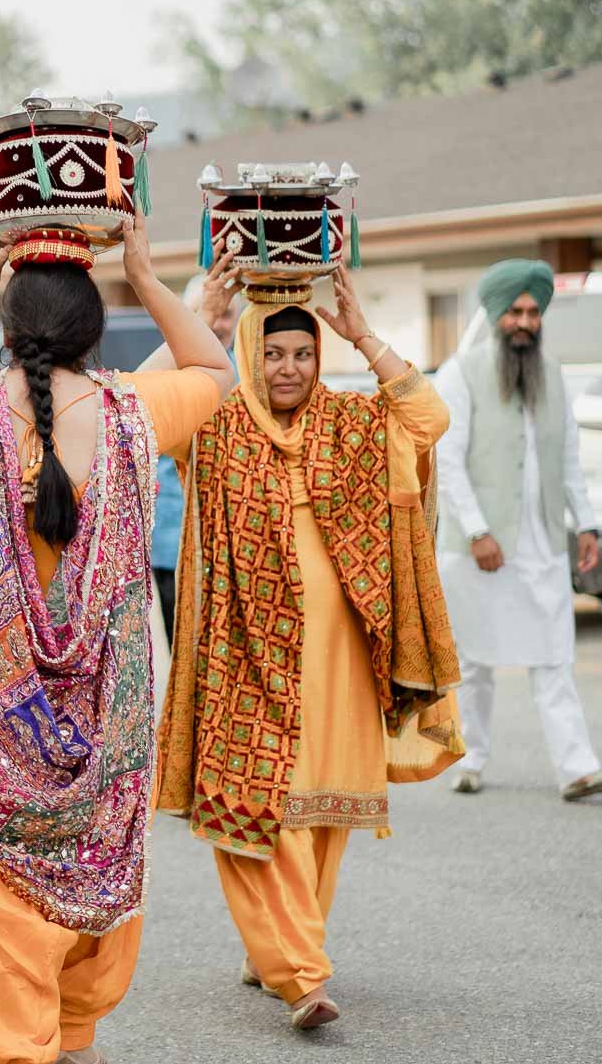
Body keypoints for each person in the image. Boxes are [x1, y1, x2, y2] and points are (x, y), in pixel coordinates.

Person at [0, 213, 235, 1064]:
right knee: (90, 875)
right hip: (102, 710)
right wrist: (150, 280)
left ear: (7, 325)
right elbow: (212, 370)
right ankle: (73, 1033)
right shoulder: (127, 414)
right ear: (94, 325)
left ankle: (21, 1045)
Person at [154, 240, 462, 1031]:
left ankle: (278, 953)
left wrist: (364, 334)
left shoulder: (354, 422)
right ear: (249, 351)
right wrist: (199, 317)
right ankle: (302, 975)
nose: (289, 367)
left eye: (303, 351)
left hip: (344, 659)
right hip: (245, 657)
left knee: (322, 815)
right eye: (274, 351)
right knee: (258, 812)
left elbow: (429, 418)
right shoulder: (215, 426)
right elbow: (142, 402)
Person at [435, 259, 602, 801]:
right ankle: (471, 758)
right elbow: (447, 461)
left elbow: (567, 456)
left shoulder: (553, 374)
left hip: (541, 541)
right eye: (515, 312)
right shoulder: (460, 372)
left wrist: (584, 521)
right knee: (472, 661)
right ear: (496, 315)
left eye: (532, 312)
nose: (525, 321)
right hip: (475, 548)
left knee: (554, 655)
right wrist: (477, 531)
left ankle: (577, 770)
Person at [150, 272, 240, 639]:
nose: (217, 323)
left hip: (233, 543)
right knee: (183, 650)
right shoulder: (168, 372)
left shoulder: (249, 372)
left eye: (226, 314)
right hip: (172, 541)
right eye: (205, 312)